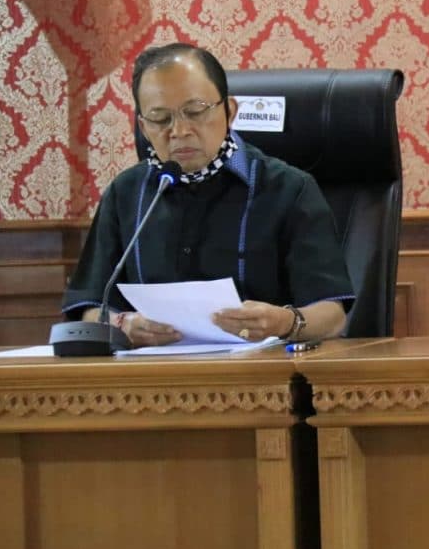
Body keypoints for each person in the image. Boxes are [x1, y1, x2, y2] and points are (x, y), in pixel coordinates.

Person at [62, 43, 353, 346]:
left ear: (229, 111)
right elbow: (88, 308)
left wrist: (283, 322)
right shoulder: (126, 194)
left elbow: (332, 313)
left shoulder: (289, 190)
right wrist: (121, 323)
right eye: (161, 119)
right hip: (150, 381)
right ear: (144, 128)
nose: (179, 131)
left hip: (264, 380)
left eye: (195, 111)